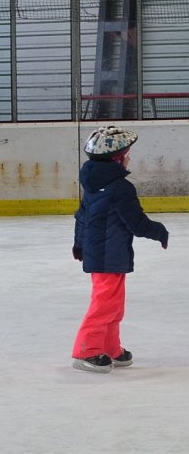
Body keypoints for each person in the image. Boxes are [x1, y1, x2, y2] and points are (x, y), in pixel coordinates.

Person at [71, 125, 168, 373]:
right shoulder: (120, 188)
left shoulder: (94, 185)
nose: (128, 158)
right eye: (126, 154)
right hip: (109, 255)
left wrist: (79, 243)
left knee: (114, 305)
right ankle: (87, 350)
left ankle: (110, 347)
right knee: (104, 304)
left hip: (103, 253)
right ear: (117, 159)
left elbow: (82, 217)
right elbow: (136, 223)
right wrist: (159, 231)